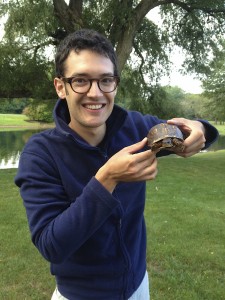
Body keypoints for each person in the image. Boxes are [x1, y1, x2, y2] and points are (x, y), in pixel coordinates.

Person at [15, 29, 218, 300]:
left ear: (116, 84)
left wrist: (198, 128)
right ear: (60, 87)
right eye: (81, 80)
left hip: (137, 285)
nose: (95, 93)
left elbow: (199, 132)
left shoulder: (134, 127)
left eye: (105, 80)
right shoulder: (40, 154)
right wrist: (106, 179)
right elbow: (51, 245)